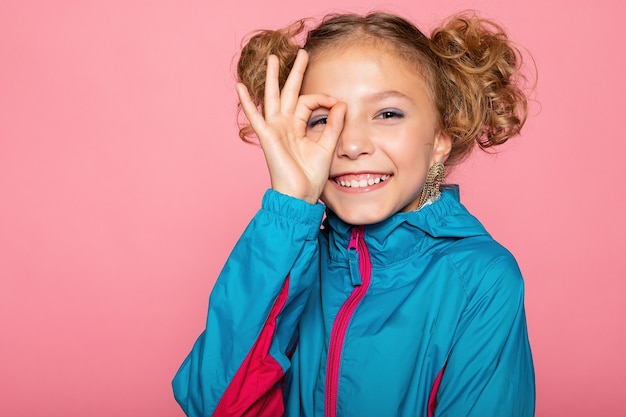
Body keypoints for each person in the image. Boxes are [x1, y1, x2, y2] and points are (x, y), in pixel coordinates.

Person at [173, 10, 535, 417]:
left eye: (387, 114)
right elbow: (212, 404)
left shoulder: (481, 279)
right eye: (323, 119)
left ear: (440, 139)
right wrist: (290, 206)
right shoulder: (290, 259)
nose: (351, 144)